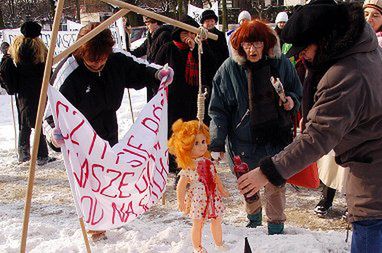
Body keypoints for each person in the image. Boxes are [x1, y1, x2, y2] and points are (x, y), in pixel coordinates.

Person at [237, 1, 382, 251]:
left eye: (305, 48)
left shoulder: (347, 74)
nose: (301, 55)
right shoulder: (361, 47)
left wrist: (267, 172)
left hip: (374, 180)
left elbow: (316, 138)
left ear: (325, 40)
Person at [44, 22, 173, 241]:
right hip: (81, 136)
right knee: (91, 181)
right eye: (92, 60)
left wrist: (156, 75)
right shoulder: (68, 72)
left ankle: (111, 214)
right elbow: (49, 112)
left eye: (102, 58)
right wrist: (51, 134)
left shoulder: (115, 59)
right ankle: (96, 226)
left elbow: (138, 69)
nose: (98, 64)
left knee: (111, 175)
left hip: (108, 125)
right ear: (81, 52)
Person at [208, 20, 302, 235]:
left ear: (266, 43)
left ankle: (276, 227)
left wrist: (291, 101)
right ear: (240, 46)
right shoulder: (228, 70)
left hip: (275, 136)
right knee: (247, 185)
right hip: (242, 142)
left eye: (257, 43)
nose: (252, 49)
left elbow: (297, 91)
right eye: (247, 44)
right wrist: (217, 141)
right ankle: (254, 222)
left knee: (275, 183)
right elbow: (218, 110)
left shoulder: (282, 64)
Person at [155, 15, 217, 176]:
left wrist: (196, 48)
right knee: (176, 132)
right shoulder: (168, 48)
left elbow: (211, 66)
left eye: (191, 33)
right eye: (184, 34)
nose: (188, 37)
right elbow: (154, 70)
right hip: (174, 100)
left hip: (194, 99)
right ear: (178, 34)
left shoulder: (200, 48)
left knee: (194, 132)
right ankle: (176, 164)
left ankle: (194, 162)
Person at [168, 119, 229, 253]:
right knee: (198, 223)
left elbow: (215, 177)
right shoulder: (189, 167)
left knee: (217, 219)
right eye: (196, 143)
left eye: (203, 142)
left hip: (212, 196)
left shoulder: (209, 162)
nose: (202, 146)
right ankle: (197, 247)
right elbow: (181, 185)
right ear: (186, 147)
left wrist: (222, 190)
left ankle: (219, 244)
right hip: (198, 199)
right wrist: (180, 200)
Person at [0, 22, 54, 165]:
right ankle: (41, 155)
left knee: (25, 123)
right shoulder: (40, 49)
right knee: (37, 123)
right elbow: (48, 71)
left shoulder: (17, 49)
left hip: (23, 92)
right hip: (39, 90)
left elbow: (10, 70)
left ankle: (24, 153)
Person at [131, 16, 173, 101]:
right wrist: (128, 54)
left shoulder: (164, 35)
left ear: (156, 23)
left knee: (159, 99)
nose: (147, 26)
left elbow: (167, 55)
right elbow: (141, 49)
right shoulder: (150, 36)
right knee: (152, 98)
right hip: (152, 72)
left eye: (148, 23)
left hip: (161, 72)